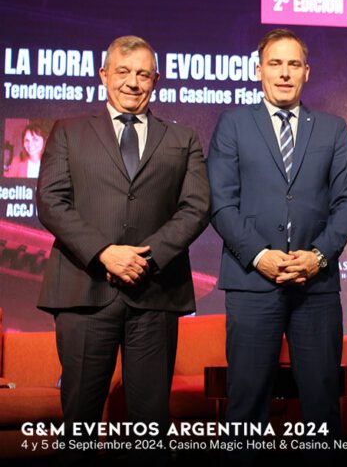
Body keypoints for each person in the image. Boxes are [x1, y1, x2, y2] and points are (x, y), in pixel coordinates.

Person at [36, 35, 210, 462]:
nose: (133, 82)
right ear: (104, 75)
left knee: (150, 425)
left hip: (155, 293)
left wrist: (145, 258)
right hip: (84, 291)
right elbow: (51, 201)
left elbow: (196, 207)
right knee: (79, 420)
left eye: (143, 74)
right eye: (123, 72)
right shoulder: (69, 132)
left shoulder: (182, 138)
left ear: (156, 80)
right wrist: (104, 252)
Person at [207, 29, 347, 449]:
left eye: (294, 64)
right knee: (246, 405)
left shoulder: (331, 129)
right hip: (252, 283)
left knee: (322, 407)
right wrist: (260, 256)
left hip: (316, 287)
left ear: (307, 72)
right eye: (275, 63)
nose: (285, 73)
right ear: (259, 70)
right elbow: (220, 202)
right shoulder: (233, 124)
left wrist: (317, 256)